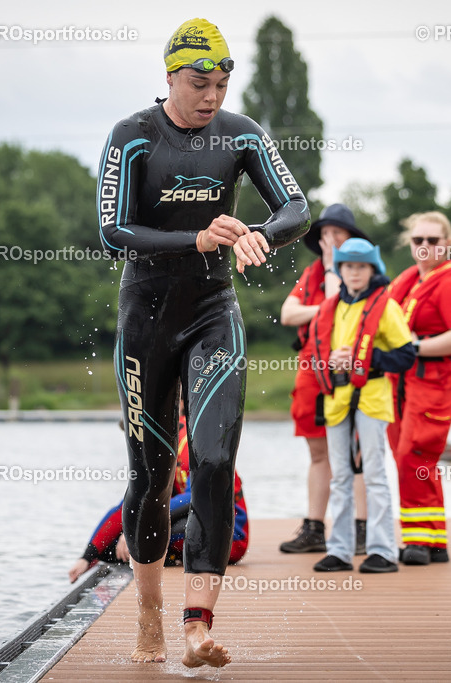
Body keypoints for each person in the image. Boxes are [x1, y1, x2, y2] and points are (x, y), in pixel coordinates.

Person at [96, 17, 309, 668]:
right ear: (169, 77)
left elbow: (297, 207)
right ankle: (149, 615)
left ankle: (196, 624)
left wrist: (260, 235)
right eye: (198, 83)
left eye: (220, 83)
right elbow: (113, 231)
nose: (211, 95)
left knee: (214, 460)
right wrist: (196, 239)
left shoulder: (241, 134)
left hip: (213, 313)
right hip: (147, 319)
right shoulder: (132, 137)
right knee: (151, 478)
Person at [307, 238, 416, 573]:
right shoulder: (330, 308)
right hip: (337, 400)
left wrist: (367, 358)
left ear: (373, 270)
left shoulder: (386, 306)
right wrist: (334, 361)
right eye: (349, 266)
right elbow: (315, 353)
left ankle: (382, 550)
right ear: (340, 269)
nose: (354, 272)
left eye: (362, 266)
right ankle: (339, 551)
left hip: (371, 398)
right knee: (340, 476)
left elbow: (406, 354)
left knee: (375, 474)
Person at [279, 204, 370, 555]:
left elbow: (339, 301)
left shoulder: (362, 271)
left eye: (337, 233)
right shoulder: (313, 271)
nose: (329, 239)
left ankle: (361, 529)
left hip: (349, 374)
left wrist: (334, 273)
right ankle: (315, 528)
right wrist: (322, 308)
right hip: (311, 372)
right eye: (325, 233)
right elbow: (288, 313)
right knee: (318, 453)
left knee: (355, 453)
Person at [385, 211, 451, 565]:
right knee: (411, 457)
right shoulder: (407, 281)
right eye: (417, 240)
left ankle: (418, 540)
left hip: (434, 379)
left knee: (415, 454)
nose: (424, 246)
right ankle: (433, 540)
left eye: (432, 241)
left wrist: (415, 346)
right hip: (403, 381)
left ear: (447, 245)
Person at [68, 415, 249, 583]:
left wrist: (137, 530)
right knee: (111, 547)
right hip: (197, 527)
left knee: (149, 532)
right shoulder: (166, 450)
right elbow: (129, 506)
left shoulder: (192, 442)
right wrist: (87, 556)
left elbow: (193, 498)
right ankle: (167, 556)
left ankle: (165, 555)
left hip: (229, 537)